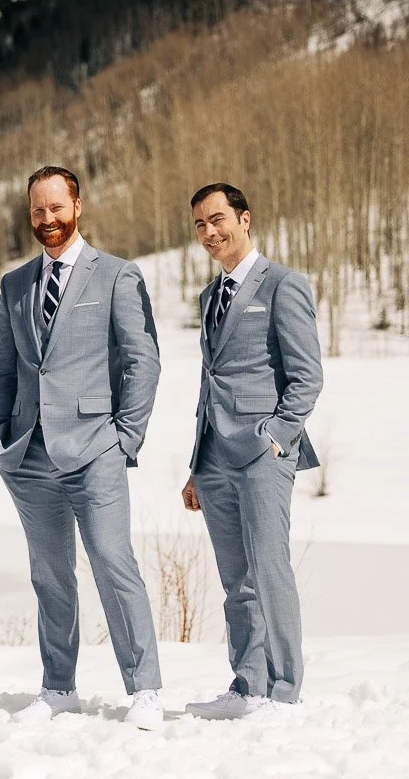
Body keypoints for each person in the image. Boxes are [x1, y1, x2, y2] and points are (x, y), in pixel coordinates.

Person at [0, 166, 164, 729]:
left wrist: (124, 437)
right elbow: (4, 366)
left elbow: (143, 360)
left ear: (78, 206)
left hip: (95, 449)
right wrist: (0, 432)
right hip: (29, 454)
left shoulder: (116, 275)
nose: (47, 220)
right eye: (38, 211)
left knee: (114, 563)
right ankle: (59, 686)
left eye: (56, 208)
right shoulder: (15, 284)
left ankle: (146, 690)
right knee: (50, 572)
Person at [181, 183, 323, 719]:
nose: (209, 232)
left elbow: (307, 377)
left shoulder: (284, 284)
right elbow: (208, 380)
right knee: (235, 580)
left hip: (263, 453)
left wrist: (277, 438)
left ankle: (285, 691)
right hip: (214, 455)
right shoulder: (207, 297)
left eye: (218, 220)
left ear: (245, 219)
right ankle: (249, 686)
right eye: (199, 225)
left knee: (269, 569)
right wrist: (197, 465)